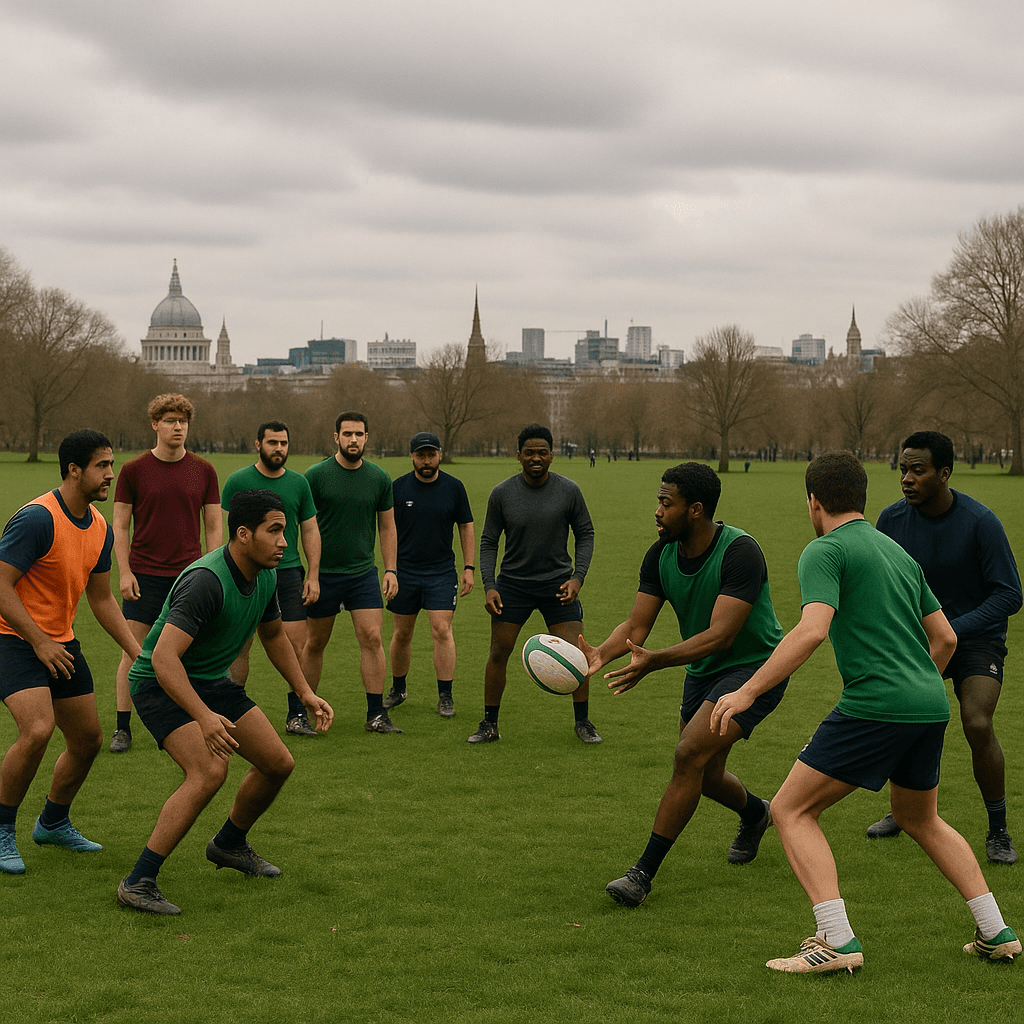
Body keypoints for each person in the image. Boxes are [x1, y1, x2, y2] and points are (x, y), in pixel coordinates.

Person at [711, 451, 1020, 973]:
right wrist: (918, 682)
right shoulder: (897, 551)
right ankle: (997, 931)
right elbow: (944, 637)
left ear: (813, 501)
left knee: (790, 810)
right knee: (920, 818)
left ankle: (836, 940)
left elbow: (811, 629)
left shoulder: (823, 551)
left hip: (876, 703)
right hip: (929, 702)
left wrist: (745, 692)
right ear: (861, 497)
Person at [117, 490, 334, 916]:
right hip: (160, 685)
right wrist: (203, 717)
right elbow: (162, 659)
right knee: (209, 771)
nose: (284, 542)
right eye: (274, 531)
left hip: (209, 683)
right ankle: (138, 881)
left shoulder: (266, 573)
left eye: (284, 531)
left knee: (278, 763)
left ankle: (229, 844)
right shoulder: (205, 581)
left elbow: (273, 637)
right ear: (242, 533)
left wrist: (305, 692)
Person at [580, 462, 786, 907]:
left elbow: (721, 635)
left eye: (665, 502)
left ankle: (641, 875)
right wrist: (600, 652)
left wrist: (655, 662)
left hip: (756, 668)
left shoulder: (740, 552)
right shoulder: (661, 554)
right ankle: (757, 814)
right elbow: (637, 624)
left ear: (695, 509)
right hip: (704, 671)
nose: (657, 511)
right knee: (706, 774)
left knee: (688, 754)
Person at [865, 431, 1022, 864]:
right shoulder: (891, 521)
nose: (907, 479)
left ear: (944, 473)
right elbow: (882, 584)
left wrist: (952, 628)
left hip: (976, 641)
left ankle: (999, 831)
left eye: (919, 470)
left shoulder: (980, 522)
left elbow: (1010, 594)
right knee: (905, 719)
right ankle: (905, 812)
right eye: (903, 470)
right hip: (918, 642)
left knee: (976, 721)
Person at [0, 430, 142, 875]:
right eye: (102, 466)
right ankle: (3, 828)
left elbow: (101, 599)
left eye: (112, 465)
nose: (111, 475)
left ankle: (53, 822)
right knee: (38, 730)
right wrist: (38, 641)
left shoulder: (98, 526)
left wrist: (137, 652)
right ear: (74, 470)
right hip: (12, 637)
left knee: (88, 740)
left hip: (58, 642)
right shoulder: (38, 519)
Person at [469, 424, 598, 744]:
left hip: (558, 586)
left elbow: (586, 534)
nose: (536, 458)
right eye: (529, 453)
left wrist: (577, 578)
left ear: (552, 455)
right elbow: (488, 541)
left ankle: (583, 722)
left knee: (577, 656)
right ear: (518, 456)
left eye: (542, 452)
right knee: (498, 651)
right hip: (512, 586)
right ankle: (489, 725)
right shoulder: (502, 493)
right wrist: (490, 585)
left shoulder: (569, 490)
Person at [110, 393, 221, 753]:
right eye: (170, 420)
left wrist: (213, 571)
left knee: (187, 653)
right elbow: (121, 526)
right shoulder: (133, 470)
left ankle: (191, 720)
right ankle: (122, 728)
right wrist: (124, 572)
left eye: (183, 421)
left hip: (190, 579)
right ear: (155, 424)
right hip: (144, 576)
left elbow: (214, 526)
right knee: (133, 652)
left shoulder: (204, 470)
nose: (178, 427)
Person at [300, 412, 401, 733]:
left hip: (362, 575)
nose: (353, 440)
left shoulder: (379, 478)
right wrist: (312, 574)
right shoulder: (315, 476)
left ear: (367, 438)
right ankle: (304, 710)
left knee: (372, 638)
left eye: (359, 434)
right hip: (323, 575)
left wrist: (391, 570)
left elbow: (387, 526)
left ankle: (376, 714)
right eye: (347, 434)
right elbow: (305, 526)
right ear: (336, 437)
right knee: (315, 642)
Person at [221, 420, 322, 737]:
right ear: (258, 444)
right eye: (272, 442)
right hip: (247, 573)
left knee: (296, 645)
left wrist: (314, 574)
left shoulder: (299, 483)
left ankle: (297, 715)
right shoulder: (238, 481)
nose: (279, 448)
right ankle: (230, 713)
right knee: (240, 645)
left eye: (283, 443)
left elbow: (309, 529)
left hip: (289, 573)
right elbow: (226, 532)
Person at [384, 432, 474, 719]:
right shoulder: (397, 488)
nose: (426, 460)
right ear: (411, 456)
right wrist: (391, 570)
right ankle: (398, 689)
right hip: (405, 572)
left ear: (439, 454)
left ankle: (445, 695)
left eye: (431, 455)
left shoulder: (454, 487)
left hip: (441, 573)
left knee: (442, 630)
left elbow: (466, 527)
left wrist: (469, 567)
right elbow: (387, 530)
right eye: (420, 455)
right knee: (402, 632)